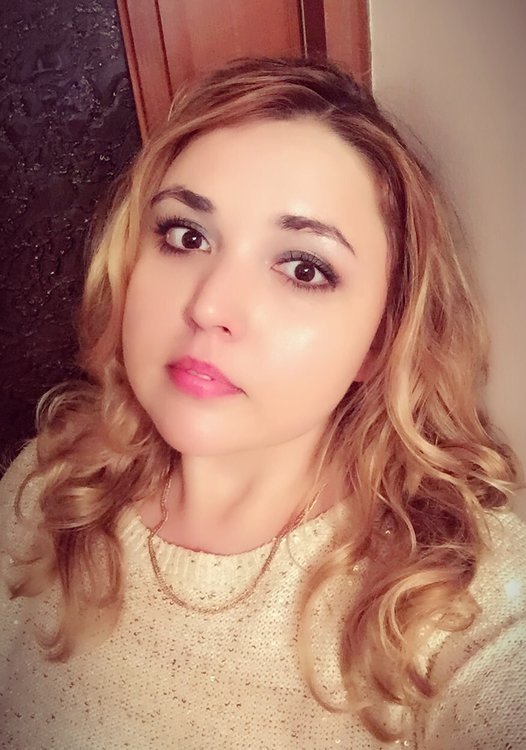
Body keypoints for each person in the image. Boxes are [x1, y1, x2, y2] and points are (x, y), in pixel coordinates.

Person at [1, 57, 525, 750]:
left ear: (381, 340)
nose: (209, 305)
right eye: (186, 236)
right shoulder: (50, 480)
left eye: (303, 268)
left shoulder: (457, 597)